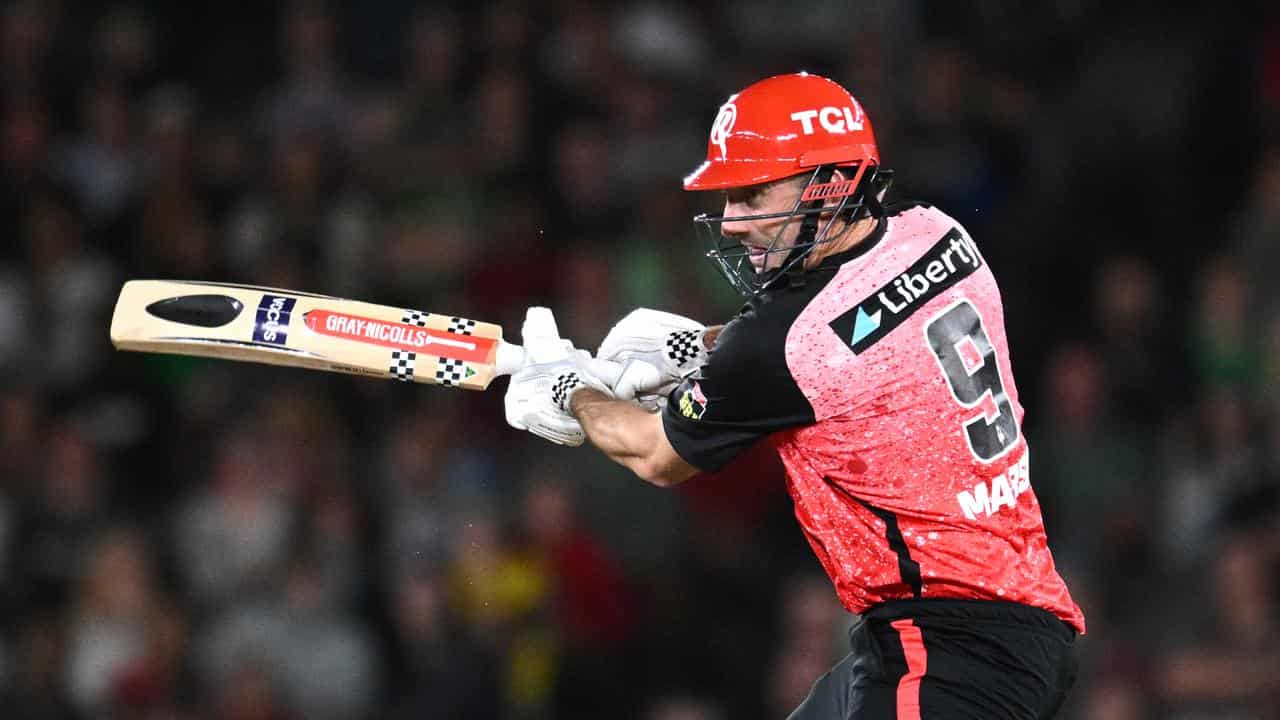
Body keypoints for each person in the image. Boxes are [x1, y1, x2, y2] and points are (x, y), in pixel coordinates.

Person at [504, 72, 1085, 719]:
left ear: (830, 185)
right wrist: (699, 348)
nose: (732, 221)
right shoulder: (939, 236)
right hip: (992, 618)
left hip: (951, 649)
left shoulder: (779, 344)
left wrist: (570, 390)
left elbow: (652, 453)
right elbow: (846, 336)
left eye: (753, 194)